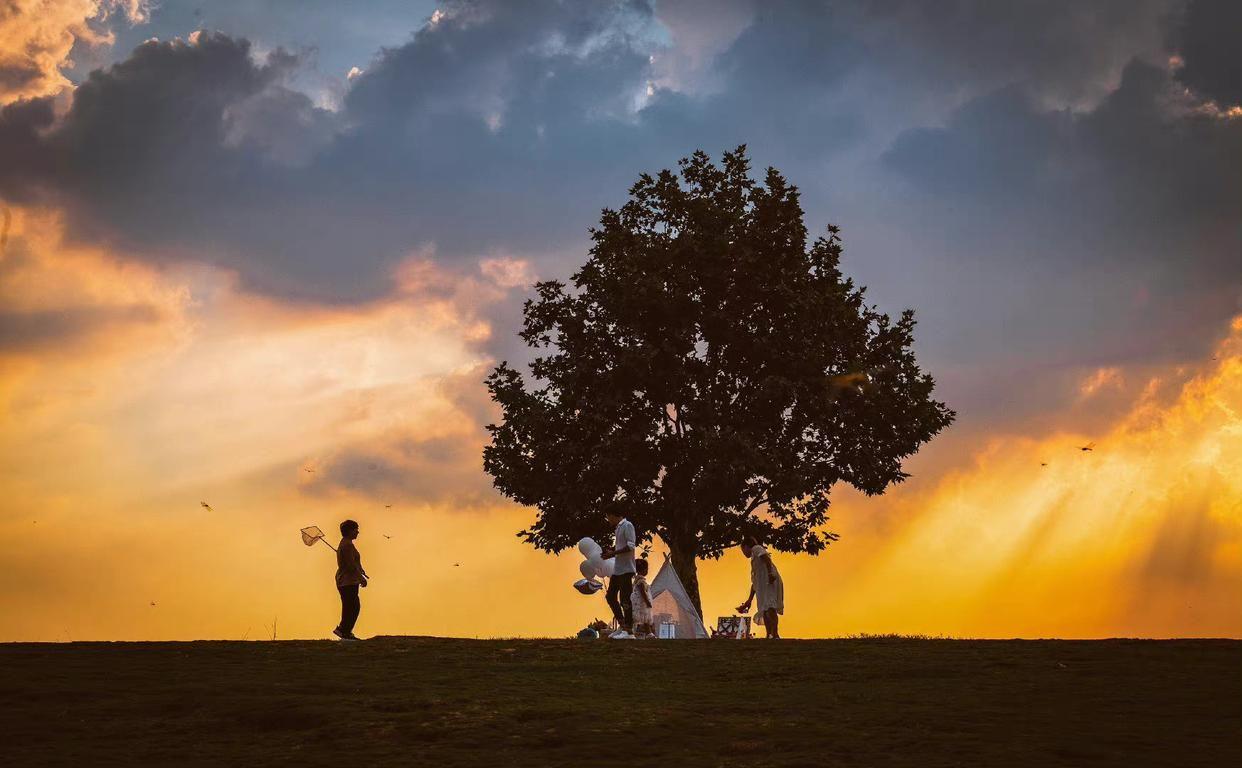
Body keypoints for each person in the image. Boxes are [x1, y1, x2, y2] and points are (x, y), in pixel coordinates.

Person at [736, 535, 784, 639]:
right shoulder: (754, 560)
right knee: (764, 609)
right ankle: (769, 634)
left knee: (770, 607)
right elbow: (755, 583)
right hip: (763, 585)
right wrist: (749, 601)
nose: (743, 553)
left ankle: (775, 633)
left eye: (743, 550)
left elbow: (766, 559)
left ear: (747, 546)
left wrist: (770, 573)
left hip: (770, 582)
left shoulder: (756, 549)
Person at [602, 507, 636, 638]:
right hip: (618, 569)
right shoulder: (618, 528)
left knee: (625, 599)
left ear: (613, 515)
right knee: (610, 597)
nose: (608, 520)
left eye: (608, 517)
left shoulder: (627, 526)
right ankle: (622, 626)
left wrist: (614, 553)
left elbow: (631, 546)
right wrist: (610, 553)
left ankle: (629, 631)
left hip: (626, 569)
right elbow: (620, 547)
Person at [334, 519, 367, 641]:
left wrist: (361, 570)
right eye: (355, 529)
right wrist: (361, 578)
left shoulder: (347, 544)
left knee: (352, 606)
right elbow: (350, 565)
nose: (357, 532)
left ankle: (345, 631)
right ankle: (344, 631)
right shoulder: (346, 545)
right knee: (352, 606)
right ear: (349, 531)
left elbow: (354, 562)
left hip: (348, 580)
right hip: (347, 581)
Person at [631, 558, 653, 637]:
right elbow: (643, 592)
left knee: (642, 619)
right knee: (645, 618)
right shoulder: (641, 581)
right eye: (647, 569)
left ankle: (649, 633)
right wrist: (647, 602)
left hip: (638, 602)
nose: (647, 571)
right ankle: (649, 633)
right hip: (642, 603)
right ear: (643, 570)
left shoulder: (636, 580)